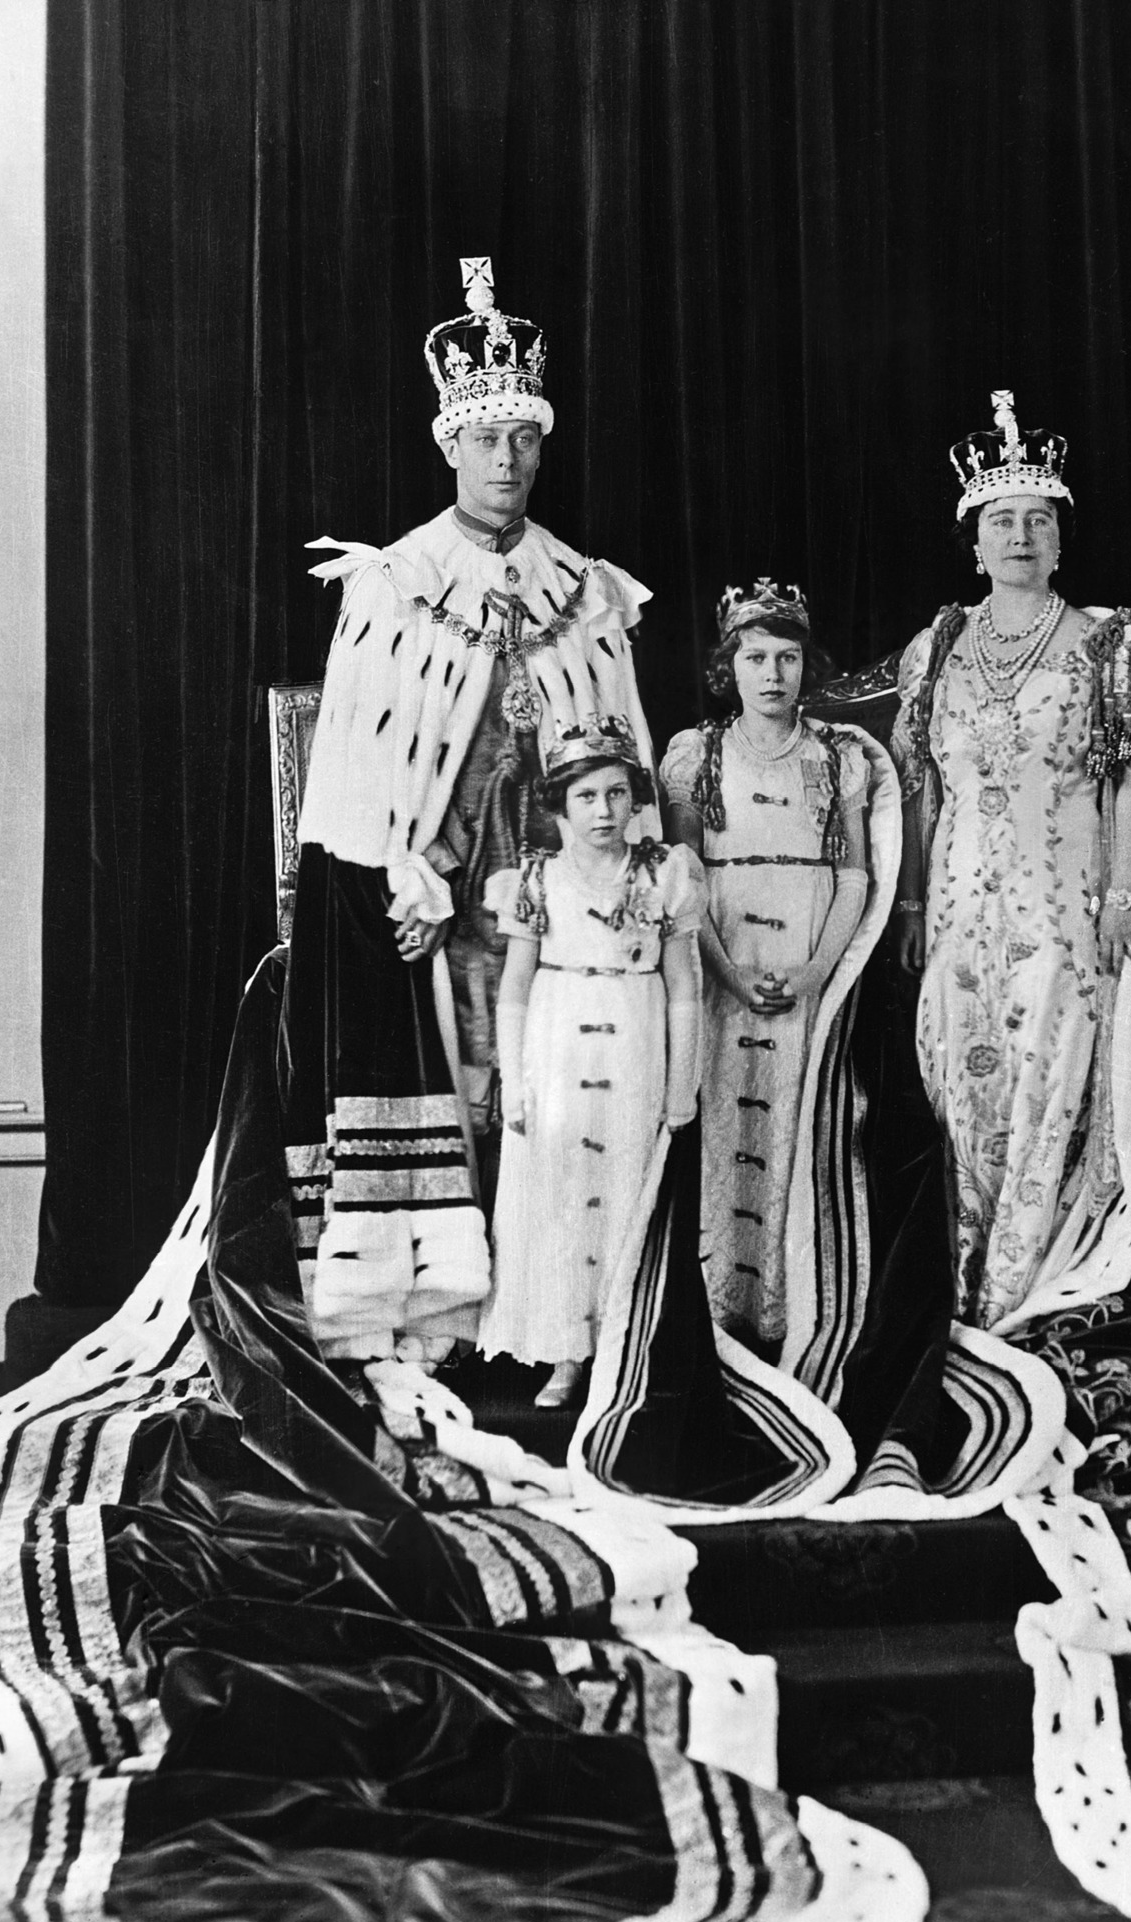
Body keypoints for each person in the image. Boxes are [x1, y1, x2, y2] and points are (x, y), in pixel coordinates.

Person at [286, 257, 657, 1369]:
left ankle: (555, 1322)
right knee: (461, 1084)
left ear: (541, 447)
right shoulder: (391, 586)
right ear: (449, 444)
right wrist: (402, 876)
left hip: (558, 887)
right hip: (433, 892)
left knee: (550, 1092)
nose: (506, 461)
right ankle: (439, 1314)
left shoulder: (585, 588)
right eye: (486, 441)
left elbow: (622, 760)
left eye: (524, 441)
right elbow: (352, 775)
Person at [890, 393, 1131, 1333]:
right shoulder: (937, 647)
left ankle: (1024, 1296)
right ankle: (959, 1284)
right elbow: (918, 791)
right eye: (1000, 522)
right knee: (959, 1077)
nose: (1019, 536)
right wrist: (910, 905)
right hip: (956, 916)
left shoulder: (1113, 646)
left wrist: (1121, 900)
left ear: (1060, 542)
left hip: (1065, 908)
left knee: (1047, 1078)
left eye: (1036, 521)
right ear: (972, 541)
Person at [660, 581, 874, 1346]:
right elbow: (682, 874)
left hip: (806, 955)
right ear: (731, 665)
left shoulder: (837, 757)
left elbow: (853, 875)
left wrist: (818, 969)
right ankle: (721, 1302)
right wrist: (725, 971)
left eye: (786, 657)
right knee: (725, 1112)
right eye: (755, 658)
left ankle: (791, 1305)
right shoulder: (696, 753)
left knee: (799, 1117)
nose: (772, 674)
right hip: (725, 961)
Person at [479, 719, 704, 1405]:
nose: (603, 811)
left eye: (615, 794)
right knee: (558, 1198)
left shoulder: (664, 872)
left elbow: (685, 989)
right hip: (557, 1043)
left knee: (625, 1196)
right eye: (585, 797)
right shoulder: (535, 879)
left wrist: (681, 1087)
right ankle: (564, 1353)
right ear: (557, 806)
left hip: (634, 1044)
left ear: (635, 799)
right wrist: (514, 1084)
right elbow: (514, 992)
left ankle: (619, 1345)